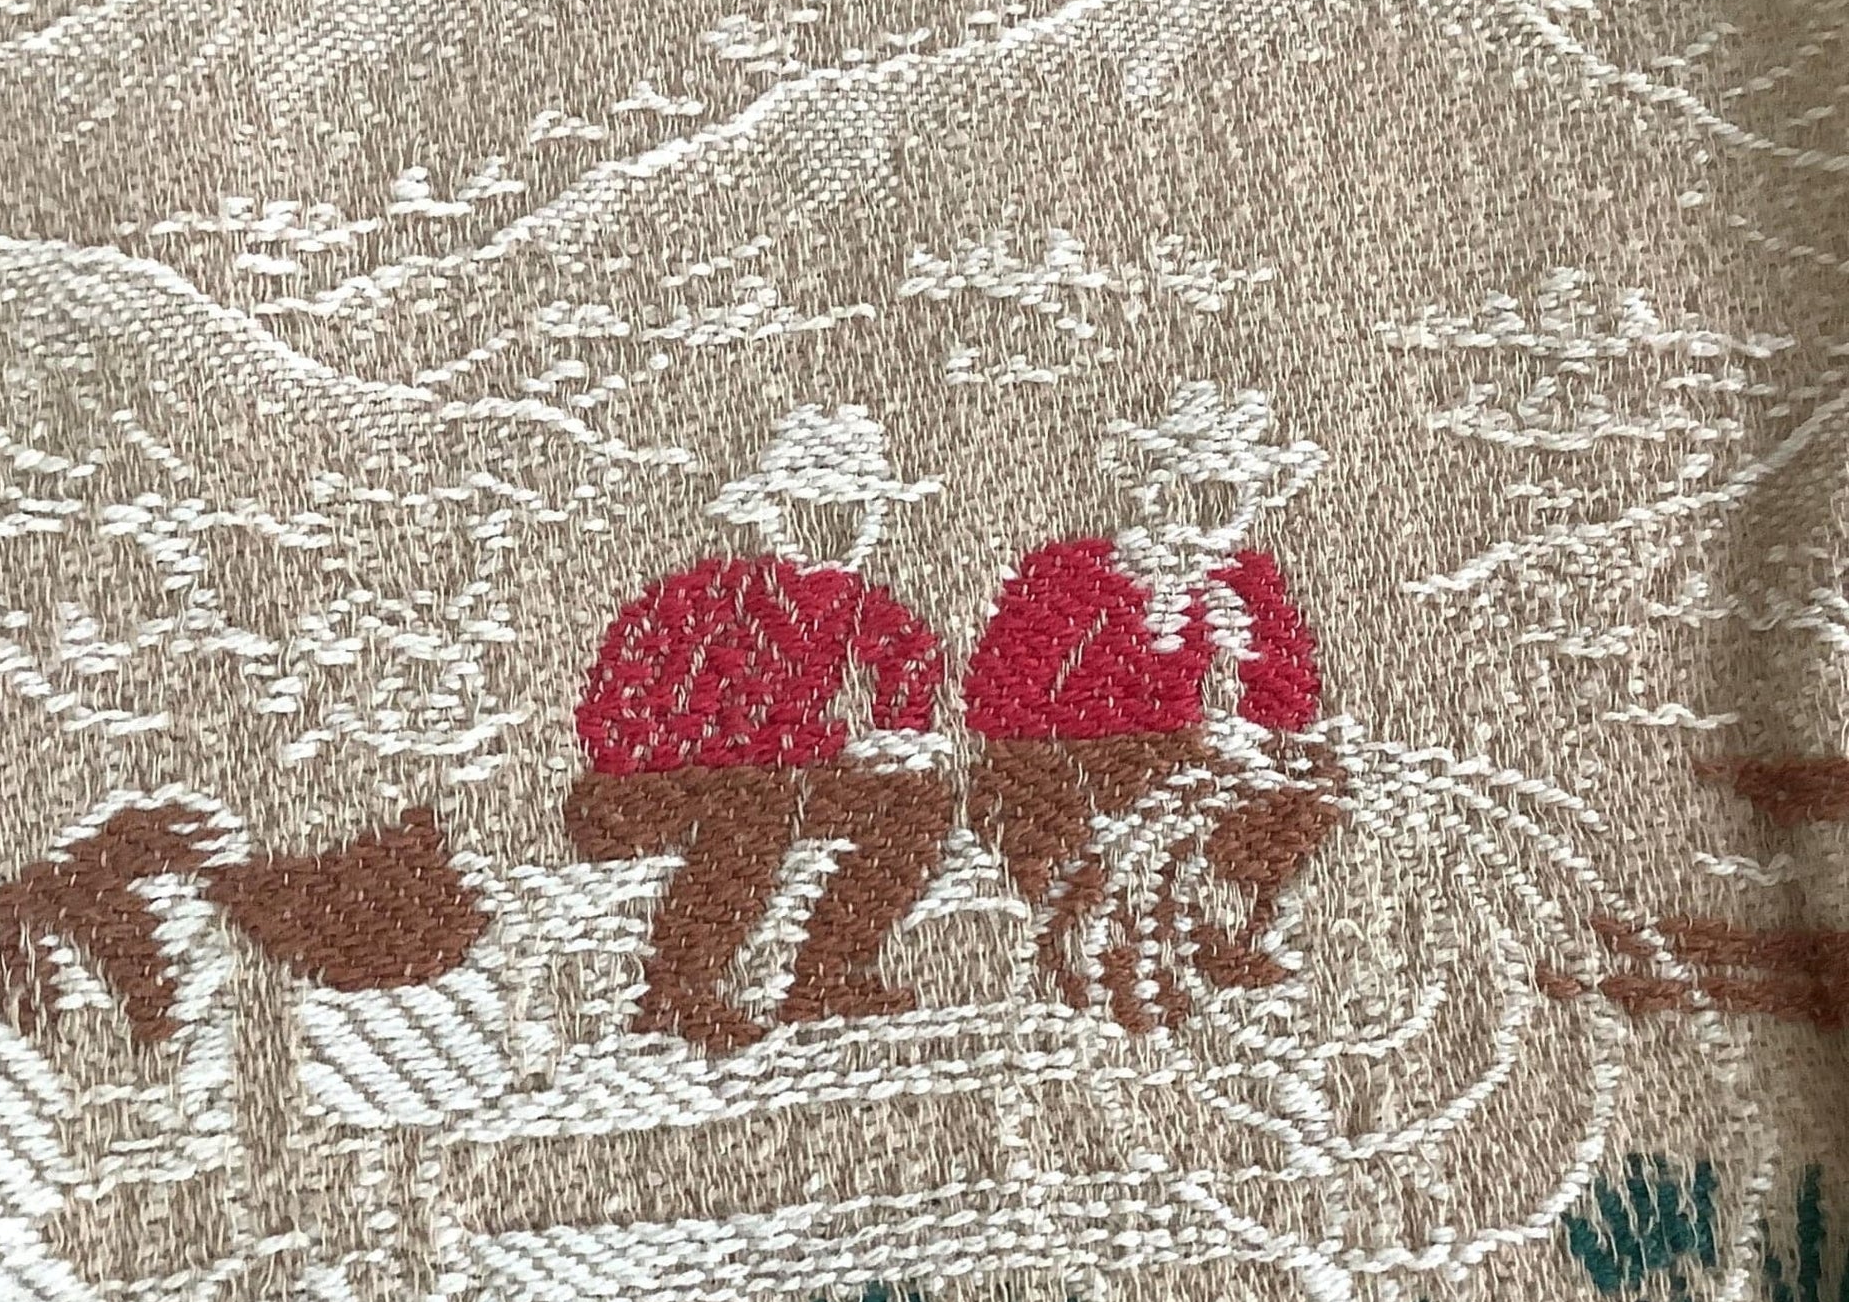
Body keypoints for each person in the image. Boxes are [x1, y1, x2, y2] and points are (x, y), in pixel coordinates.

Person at [565, 408, 951, 1052]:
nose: (833, 533)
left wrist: (901, 732)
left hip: (774, 777)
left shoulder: (847, 601)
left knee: (914, 802)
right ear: (775, 514)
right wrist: (825, 746)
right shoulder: (712, 598)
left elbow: (909, 652)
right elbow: (675, 727)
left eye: (851, 514)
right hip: (634, 787)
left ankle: (826, 976)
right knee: (755, 807)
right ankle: (676, 992)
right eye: (816, 513)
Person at [963, 384, 1342, 1015]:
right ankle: (1108, 952)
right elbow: (1000, 702)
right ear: (1150, 488)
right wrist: (1161, 734)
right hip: (1057, 770)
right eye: (1188, 490)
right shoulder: (1070, 573)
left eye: (1223, 497)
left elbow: (1288, 693)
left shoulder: (1245, 583)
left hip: (1201, 760)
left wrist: (1252, 730)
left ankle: (1228, 927)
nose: (1202, 514)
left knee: (1309, 777)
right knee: (1168, 787)